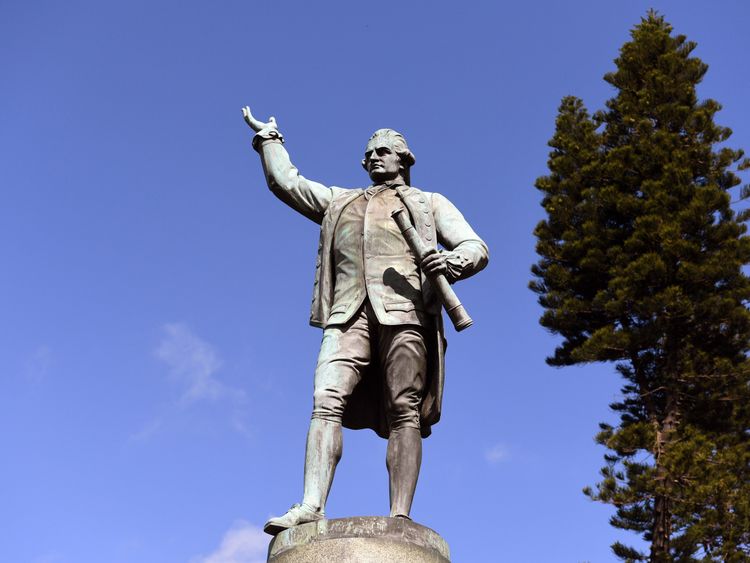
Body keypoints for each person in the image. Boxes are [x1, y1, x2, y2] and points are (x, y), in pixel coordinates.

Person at [242, 107, 488, 535]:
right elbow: (288, 183)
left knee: (404, 411)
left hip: (406, 312)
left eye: (384, 151)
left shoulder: (429, 204)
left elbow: (476, 246)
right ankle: (310, 506)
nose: (374, 157)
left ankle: (400, 516)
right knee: (325, 400)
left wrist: (451, 259)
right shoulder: (341, 200)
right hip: (347, 314)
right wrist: (270, 141)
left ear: (404, 159)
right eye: (369, 153)